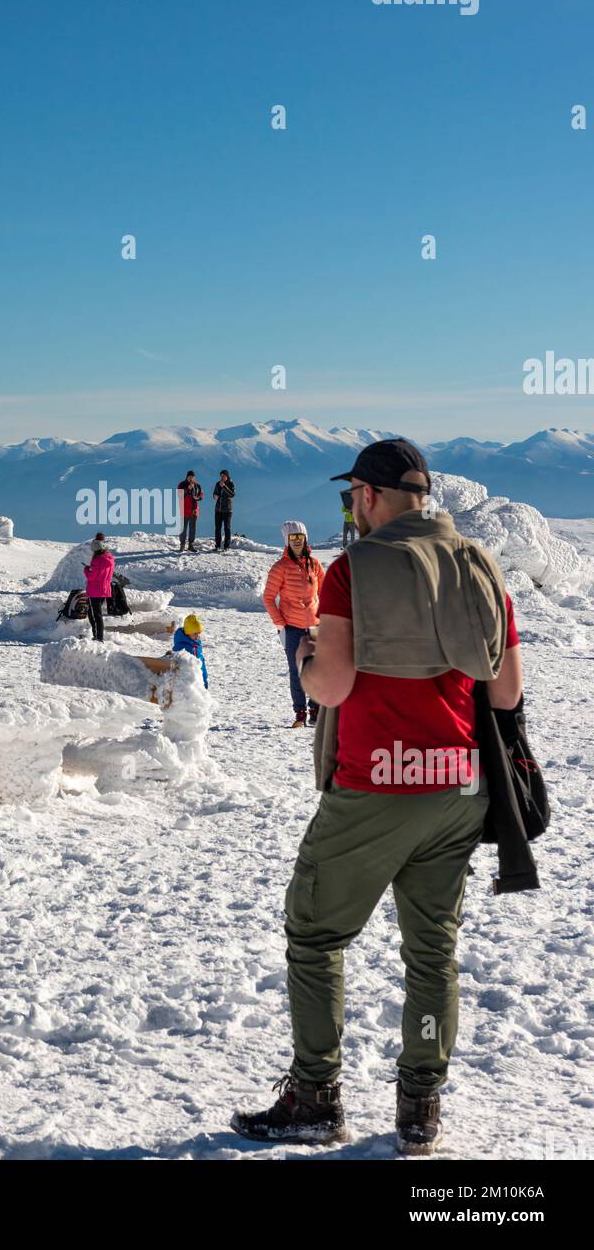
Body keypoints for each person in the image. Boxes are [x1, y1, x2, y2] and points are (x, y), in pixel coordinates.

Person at [232, 438, 523, 1156]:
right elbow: (507, 691)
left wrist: (303, 659)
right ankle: (419, 1107)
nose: (349, 508)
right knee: (432, 952)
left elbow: (328, 686)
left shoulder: (352, 570)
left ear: (369, 494)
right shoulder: (482, 565)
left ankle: (314, 1095)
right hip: (458, 784)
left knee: (317, 934)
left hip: (376, 783)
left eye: (350, 496)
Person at [261, 521, 325, 728]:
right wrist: (280, 623)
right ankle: (300, 713)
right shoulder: (280, 567)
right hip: (292, 628)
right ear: (287, 541)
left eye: (300, 537)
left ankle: (315, 709)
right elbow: (269, 597)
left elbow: (326, 591)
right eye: (293, 538)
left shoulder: (314, 564)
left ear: (305, 539)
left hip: (315, 625)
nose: (297, 542)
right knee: (297, 671)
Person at [83, 532, 114, 642]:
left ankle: (98, 637)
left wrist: (86, 569)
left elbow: (92, 577)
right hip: (104, 590)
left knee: (94, 615)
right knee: (96, 614)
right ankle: (98, 636)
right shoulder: (109, 558)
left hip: (95, 590)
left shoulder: (97, 560)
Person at [172, 614, 208, 687]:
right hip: (189, 684)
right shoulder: (181, 647)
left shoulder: (197, 644)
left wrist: (204, 680)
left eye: (199, 633)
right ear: (188, 632)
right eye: (195, 633)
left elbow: (202, 663)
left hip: (199, 680)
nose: (198, 636)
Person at [177, 471, 203, 552]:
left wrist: (198, 497)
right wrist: (188, 488)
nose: (191, 478)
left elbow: (201, 495)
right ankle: (182, 545)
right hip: (184, 509)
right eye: (190, 477)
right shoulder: (181, 484)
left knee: (192, 528)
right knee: (183, 529)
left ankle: (191, 545)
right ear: (187, 477)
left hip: (194, 510)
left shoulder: (197, 485)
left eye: (192, 477)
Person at [213, 470, 235, 551]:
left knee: (227, 528)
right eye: (221, 476)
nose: (222, 477)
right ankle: (217, 545)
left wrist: (224, 486)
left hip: (227, 510)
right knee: (218, 528)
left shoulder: (231, 484)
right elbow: (215, 493)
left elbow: (232, 494)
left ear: (227, 476)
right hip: (218, 509)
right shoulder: (217, 484)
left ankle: (226, 546)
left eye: (223, 476)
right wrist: (214, 496)